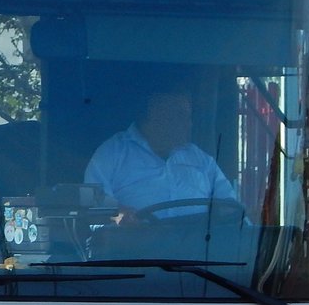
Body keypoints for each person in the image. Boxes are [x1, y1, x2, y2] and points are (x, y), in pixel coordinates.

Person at [84, 89, 239, 220]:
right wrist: (119, 214)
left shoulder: (201, 159)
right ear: (155, 115)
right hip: (134, 251)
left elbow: (230, 205)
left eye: (188, 117)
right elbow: (92, 201)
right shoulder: (113, 153)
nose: (189, 124)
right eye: (180, 115)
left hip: (200, 252)